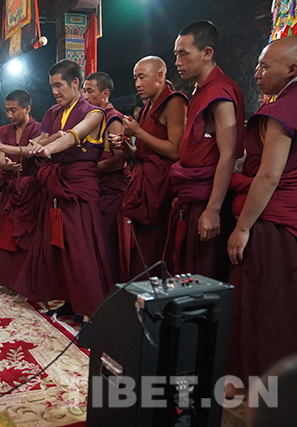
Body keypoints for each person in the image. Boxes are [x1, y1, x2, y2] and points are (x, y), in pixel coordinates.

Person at [14, 59, 113, 321]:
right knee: (59, 246)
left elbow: (72, 136)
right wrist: (21, 147)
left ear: (75, 83)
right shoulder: (52, 112)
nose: (55, 91)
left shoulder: (94, 113)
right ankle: (69, 301)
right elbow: (39, 140)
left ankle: (91, 310)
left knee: (81, 249)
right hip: (55, 185)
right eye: (52, 86)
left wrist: (46, 149)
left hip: (79, 186)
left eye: (59, 85)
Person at [226, 35, 297, 386]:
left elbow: (269, 176)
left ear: (292, 69)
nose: (256, 73)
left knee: (264, 304)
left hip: (272, 222)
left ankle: (258, 383)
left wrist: (242, 228)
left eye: (265, 66)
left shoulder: (282, 112)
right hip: (290, 216)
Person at [168, 20, 244, 281]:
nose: (177, 62)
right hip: (194, 193)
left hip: (210, 196)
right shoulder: (201, 90)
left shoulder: (220, 92)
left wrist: (212, 209)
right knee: (188, 272)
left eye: (183, 54)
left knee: (204, 277)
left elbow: (228, 153)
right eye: (176, 54)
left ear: (206, 53)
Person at [114, 56, 188, 278]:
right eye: (135, 78)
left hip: (162, 188)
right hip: (146, 184)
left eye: (142, 77)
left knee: (158, 248)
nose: (137, 84)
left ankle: (158, 294)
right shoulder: (147, 107)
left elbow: (175, 150)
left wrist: (138, 132)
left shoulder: (174, 102)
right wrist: (125, 145)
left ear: (160, 76)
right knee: (142, 251)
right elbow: (141, 154)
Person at [0, 89, 42, 294]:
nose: (9, 115)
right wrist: (7, 165)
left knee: (28, 238)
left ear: (27, 109)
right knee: (6, 234)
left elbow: (31, 153)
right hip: (11, 191)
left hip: (32, 192)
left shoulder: (40, 129)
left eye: (14, 110)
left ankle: (28, 282)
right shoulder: (3, 131)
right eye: (7, 110)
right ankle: (8, 279)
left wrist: (3, 150)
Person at [83, 72, 131, 283]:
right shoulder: (91, 119)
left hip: (111, 190)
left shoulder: (114, 119)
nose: (85, 96)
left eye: (90, 91)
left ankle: (110, 290)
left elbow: (119, 159)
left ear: (105, 93)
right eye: (84, 91)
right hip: (95, 188)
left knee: (107, 243)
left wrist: (88, 169)